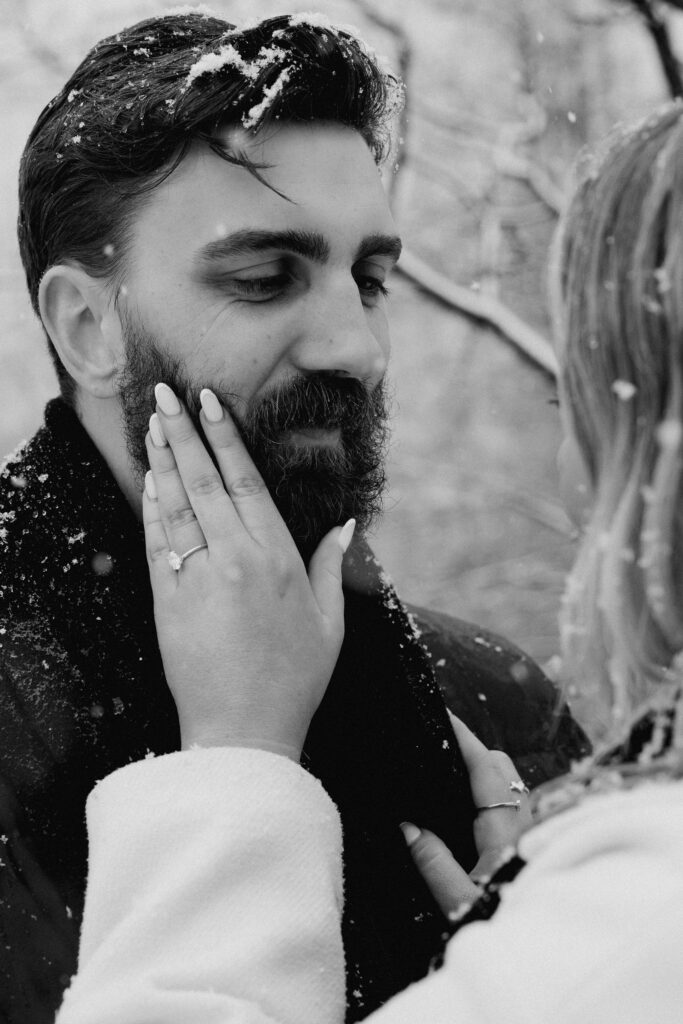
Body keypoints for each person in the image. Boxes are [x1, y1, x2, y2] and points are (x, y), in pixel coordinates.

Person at [0, 11, 588, 1023]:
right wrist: (239, 761)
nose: (355, 347)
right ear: (88, 326)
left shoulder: (495, 713)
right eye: (266, 278)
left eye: (368, 280)